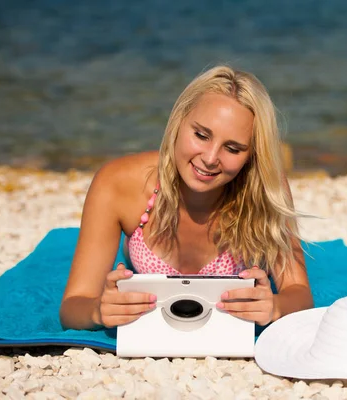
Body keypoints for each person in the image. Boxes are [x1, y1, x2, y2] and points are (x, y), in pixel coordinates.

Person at [59, 65, 313, 331]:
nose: (210, 158)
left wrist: (275, 306)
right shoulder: (118, 183)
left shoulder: (264, 187)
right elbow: (73, 306)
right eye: (201, 135)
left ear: (251, 155)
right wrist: (98, 312)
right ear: (179, 121)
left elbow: (298, 292)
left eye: (233, 148)